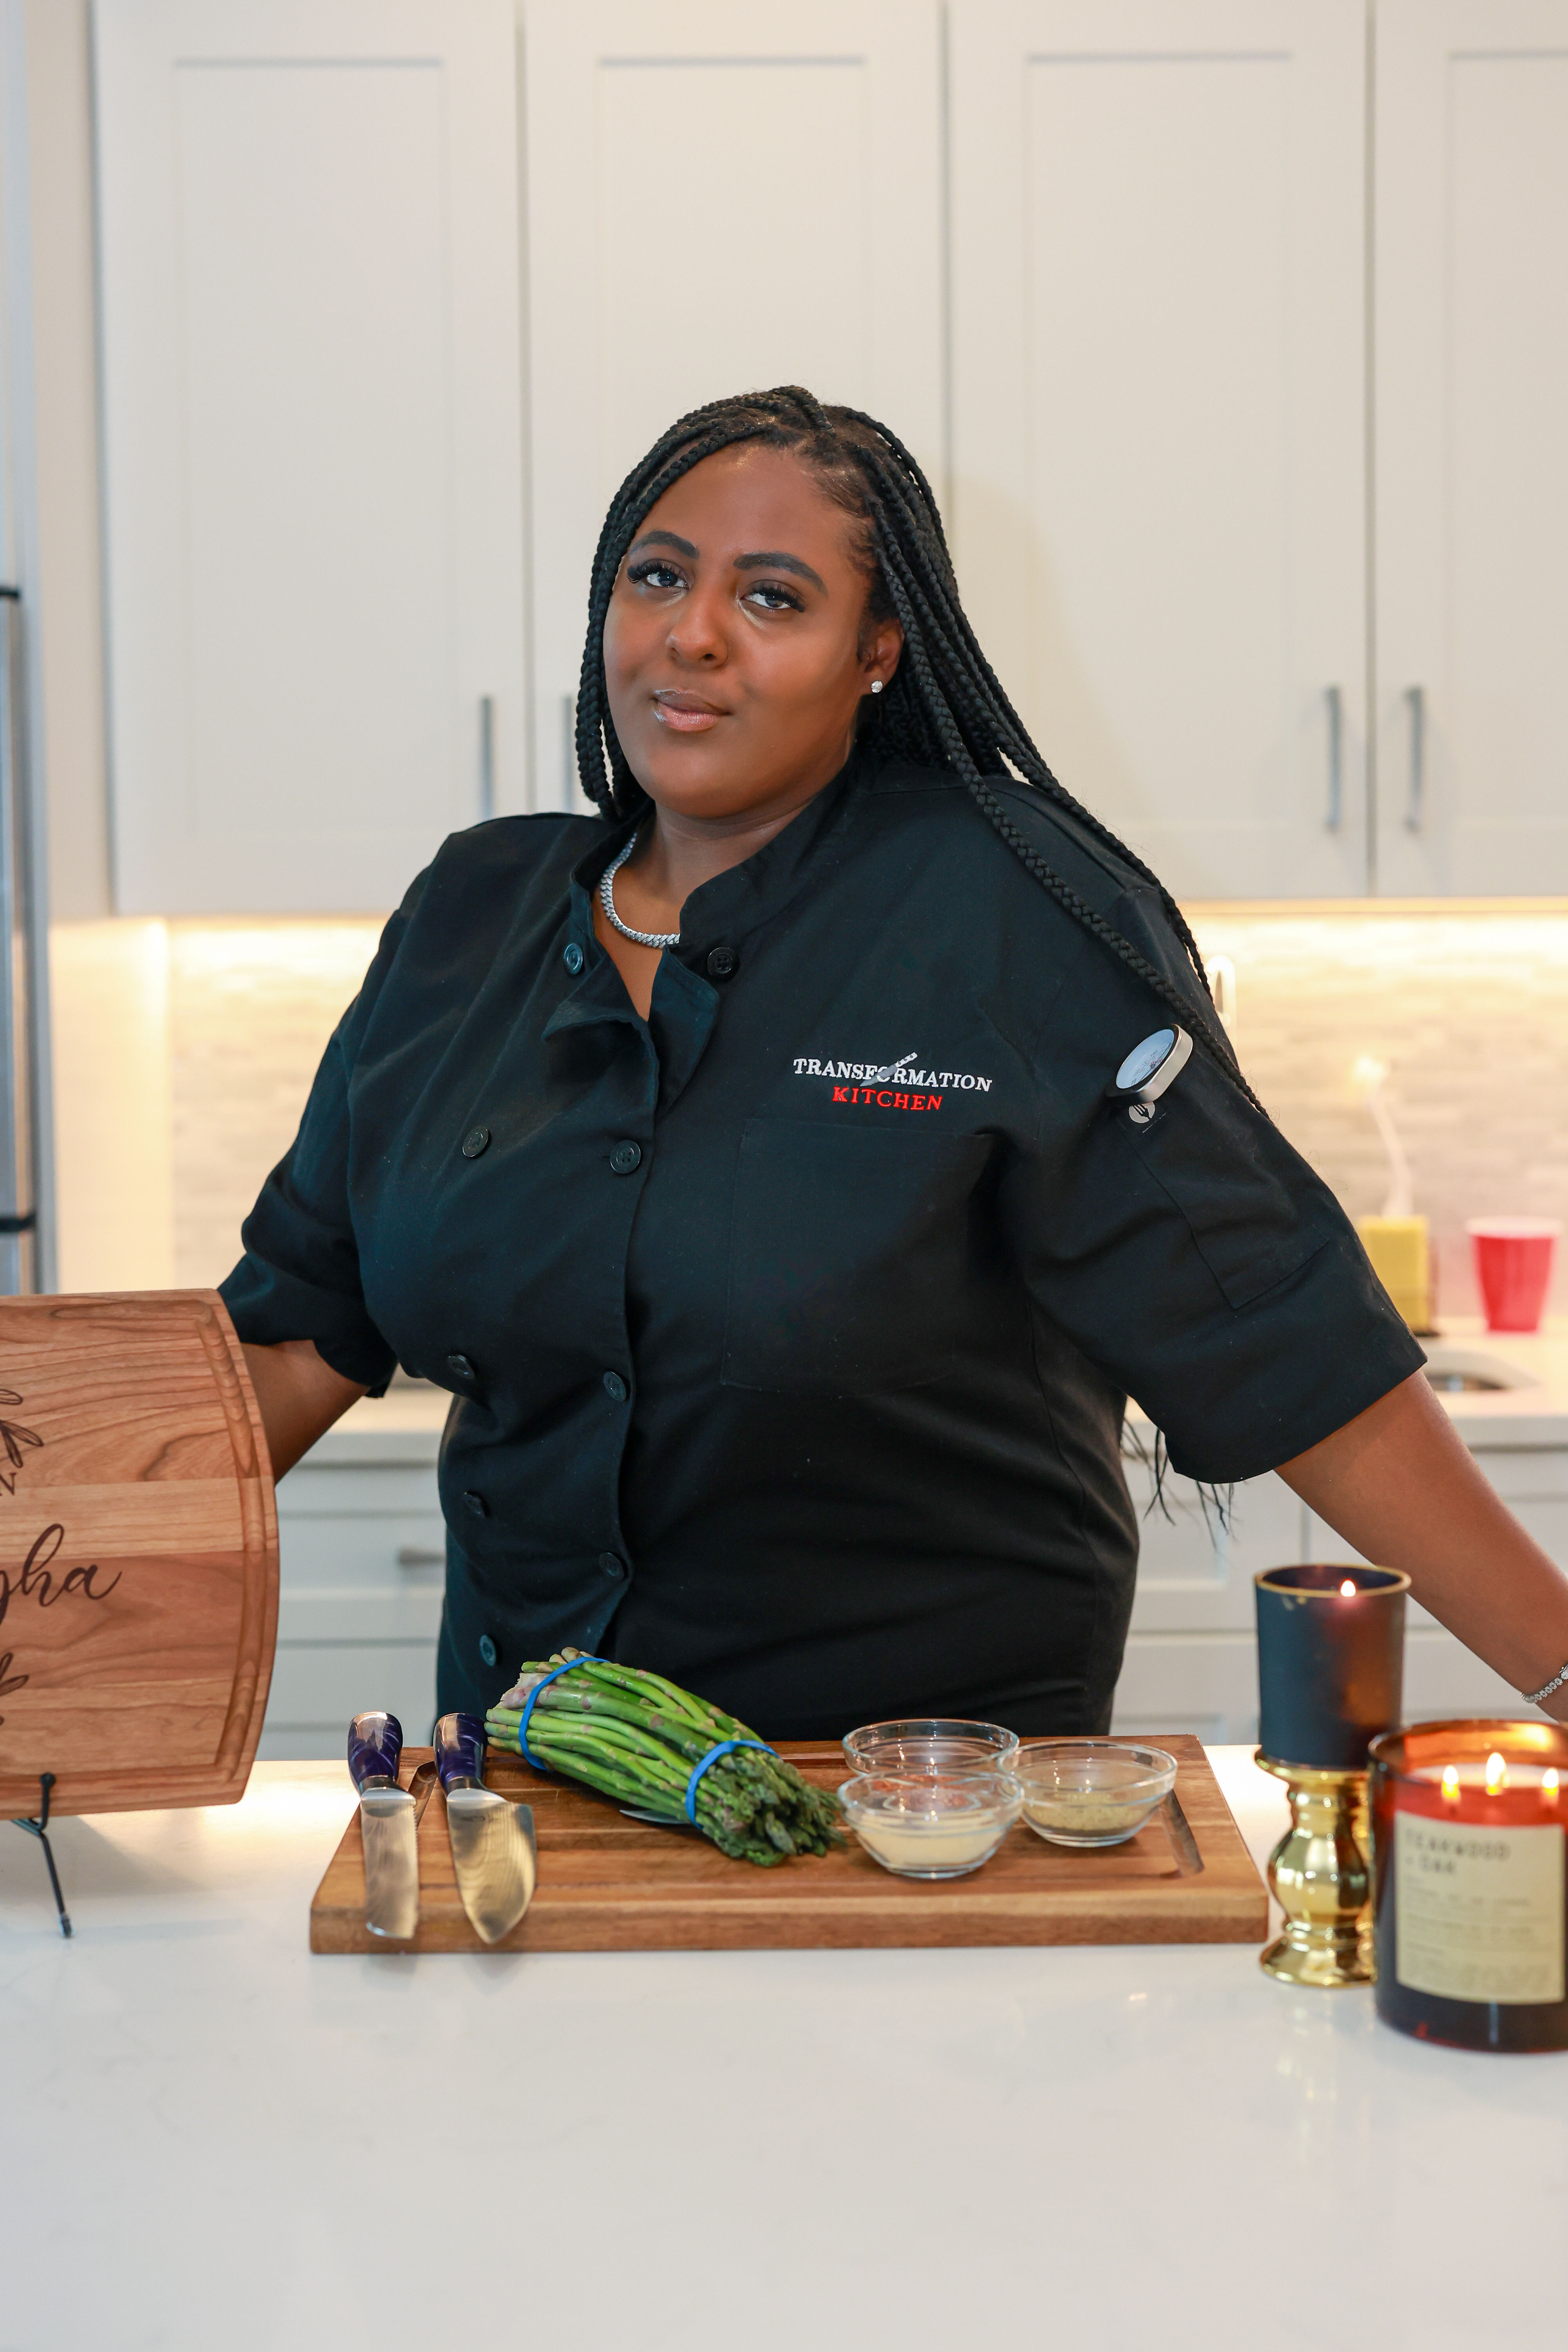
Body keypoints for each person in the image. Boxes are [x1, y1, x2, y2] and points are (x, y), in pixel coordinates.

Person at [222, 386, 1568, 1737]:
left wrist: (1562, 1674)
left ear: (877, 650)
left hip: (923, 1821)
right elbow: (294, 1337)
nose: (691, 634)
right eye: (659, 576)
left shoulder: (1011, 910)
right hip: (523, 1798)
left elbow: (1283, 1330)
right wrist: (53, 1589)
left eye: (772, 600)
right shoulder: (472, 913)